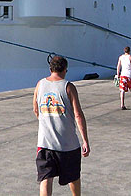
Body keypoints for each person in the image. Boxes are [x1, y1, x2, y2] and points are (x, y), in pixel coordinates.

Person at [33, 55, 90, 196]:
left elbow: (36, 109)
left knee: (46, 178)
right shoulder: (68, 87)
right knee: (73, 177)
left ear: (50, 68)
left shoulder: (40, 84)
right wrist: (85, 140)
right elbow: (78, 115)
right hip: (68, 144)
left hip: (45, 143)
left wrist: (48, 121)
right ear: (65, 69)